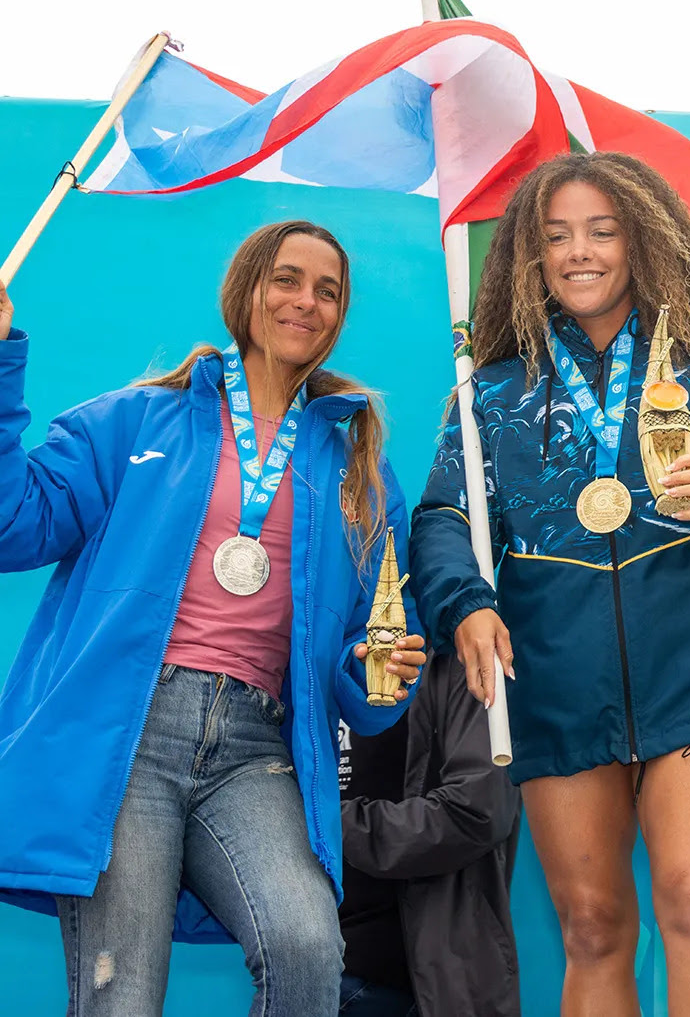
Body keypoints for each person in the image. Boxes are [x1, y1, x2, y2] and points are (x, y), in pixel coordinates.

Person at [409, 151, 690, 1016]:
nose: (580, 252)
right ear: (529, 255)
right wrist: (467, 605)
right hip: (554, 681)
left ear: (643, 240)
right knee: (593, 925)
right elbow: (446, 520)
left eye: (602, 230)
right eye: (556, 236)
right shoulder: (489, 393)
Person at [0, 221, 425, 1017]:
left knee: (306, 946)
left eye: (327, 291)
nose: (306, 301)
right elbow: (12, 524)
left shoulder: (360, 470)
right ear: (247, 290)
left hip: (256, 748)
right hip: (128, 734)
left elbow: (362, 682)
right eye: (286, 279)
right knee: (119, 990)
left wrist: (384, 669)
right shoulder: (135, 420)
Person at [338, 648, 522, 1017]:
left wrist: (326, 821)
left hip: (422, 985)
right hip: (317, 970)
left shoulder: (463, 654)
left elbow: (476, 810)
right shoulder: (310, 660)